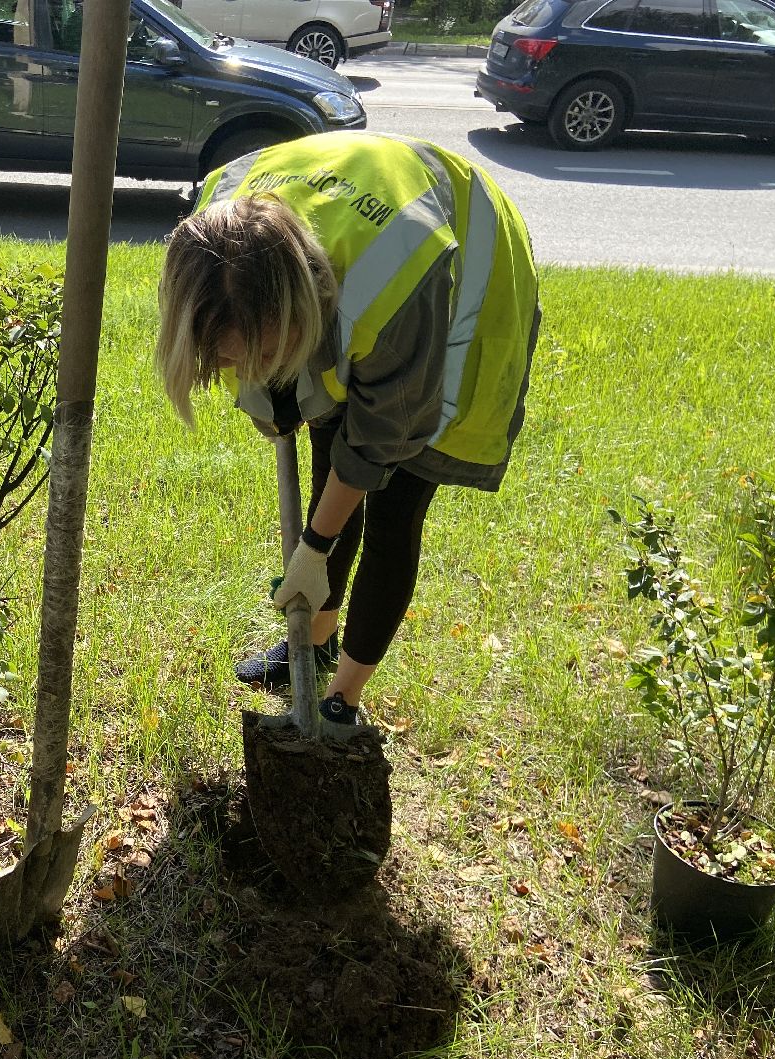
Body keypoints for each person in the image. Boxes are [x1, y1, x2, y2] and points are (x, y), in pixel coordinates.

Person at [155, 130, 539, 726]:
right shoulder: (210, 251)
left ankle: (344, 696)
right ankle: (313, 643)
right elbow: (260, 368)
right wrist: (273, 402)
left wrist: (312, 550)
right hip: (341, 251)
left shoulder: (391, 284)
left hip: (458, 279)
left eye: (265, 355)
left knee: (395, 507)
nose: (246, 370)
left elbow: (378, 439)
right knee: (328, 480)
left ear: (304, 307)